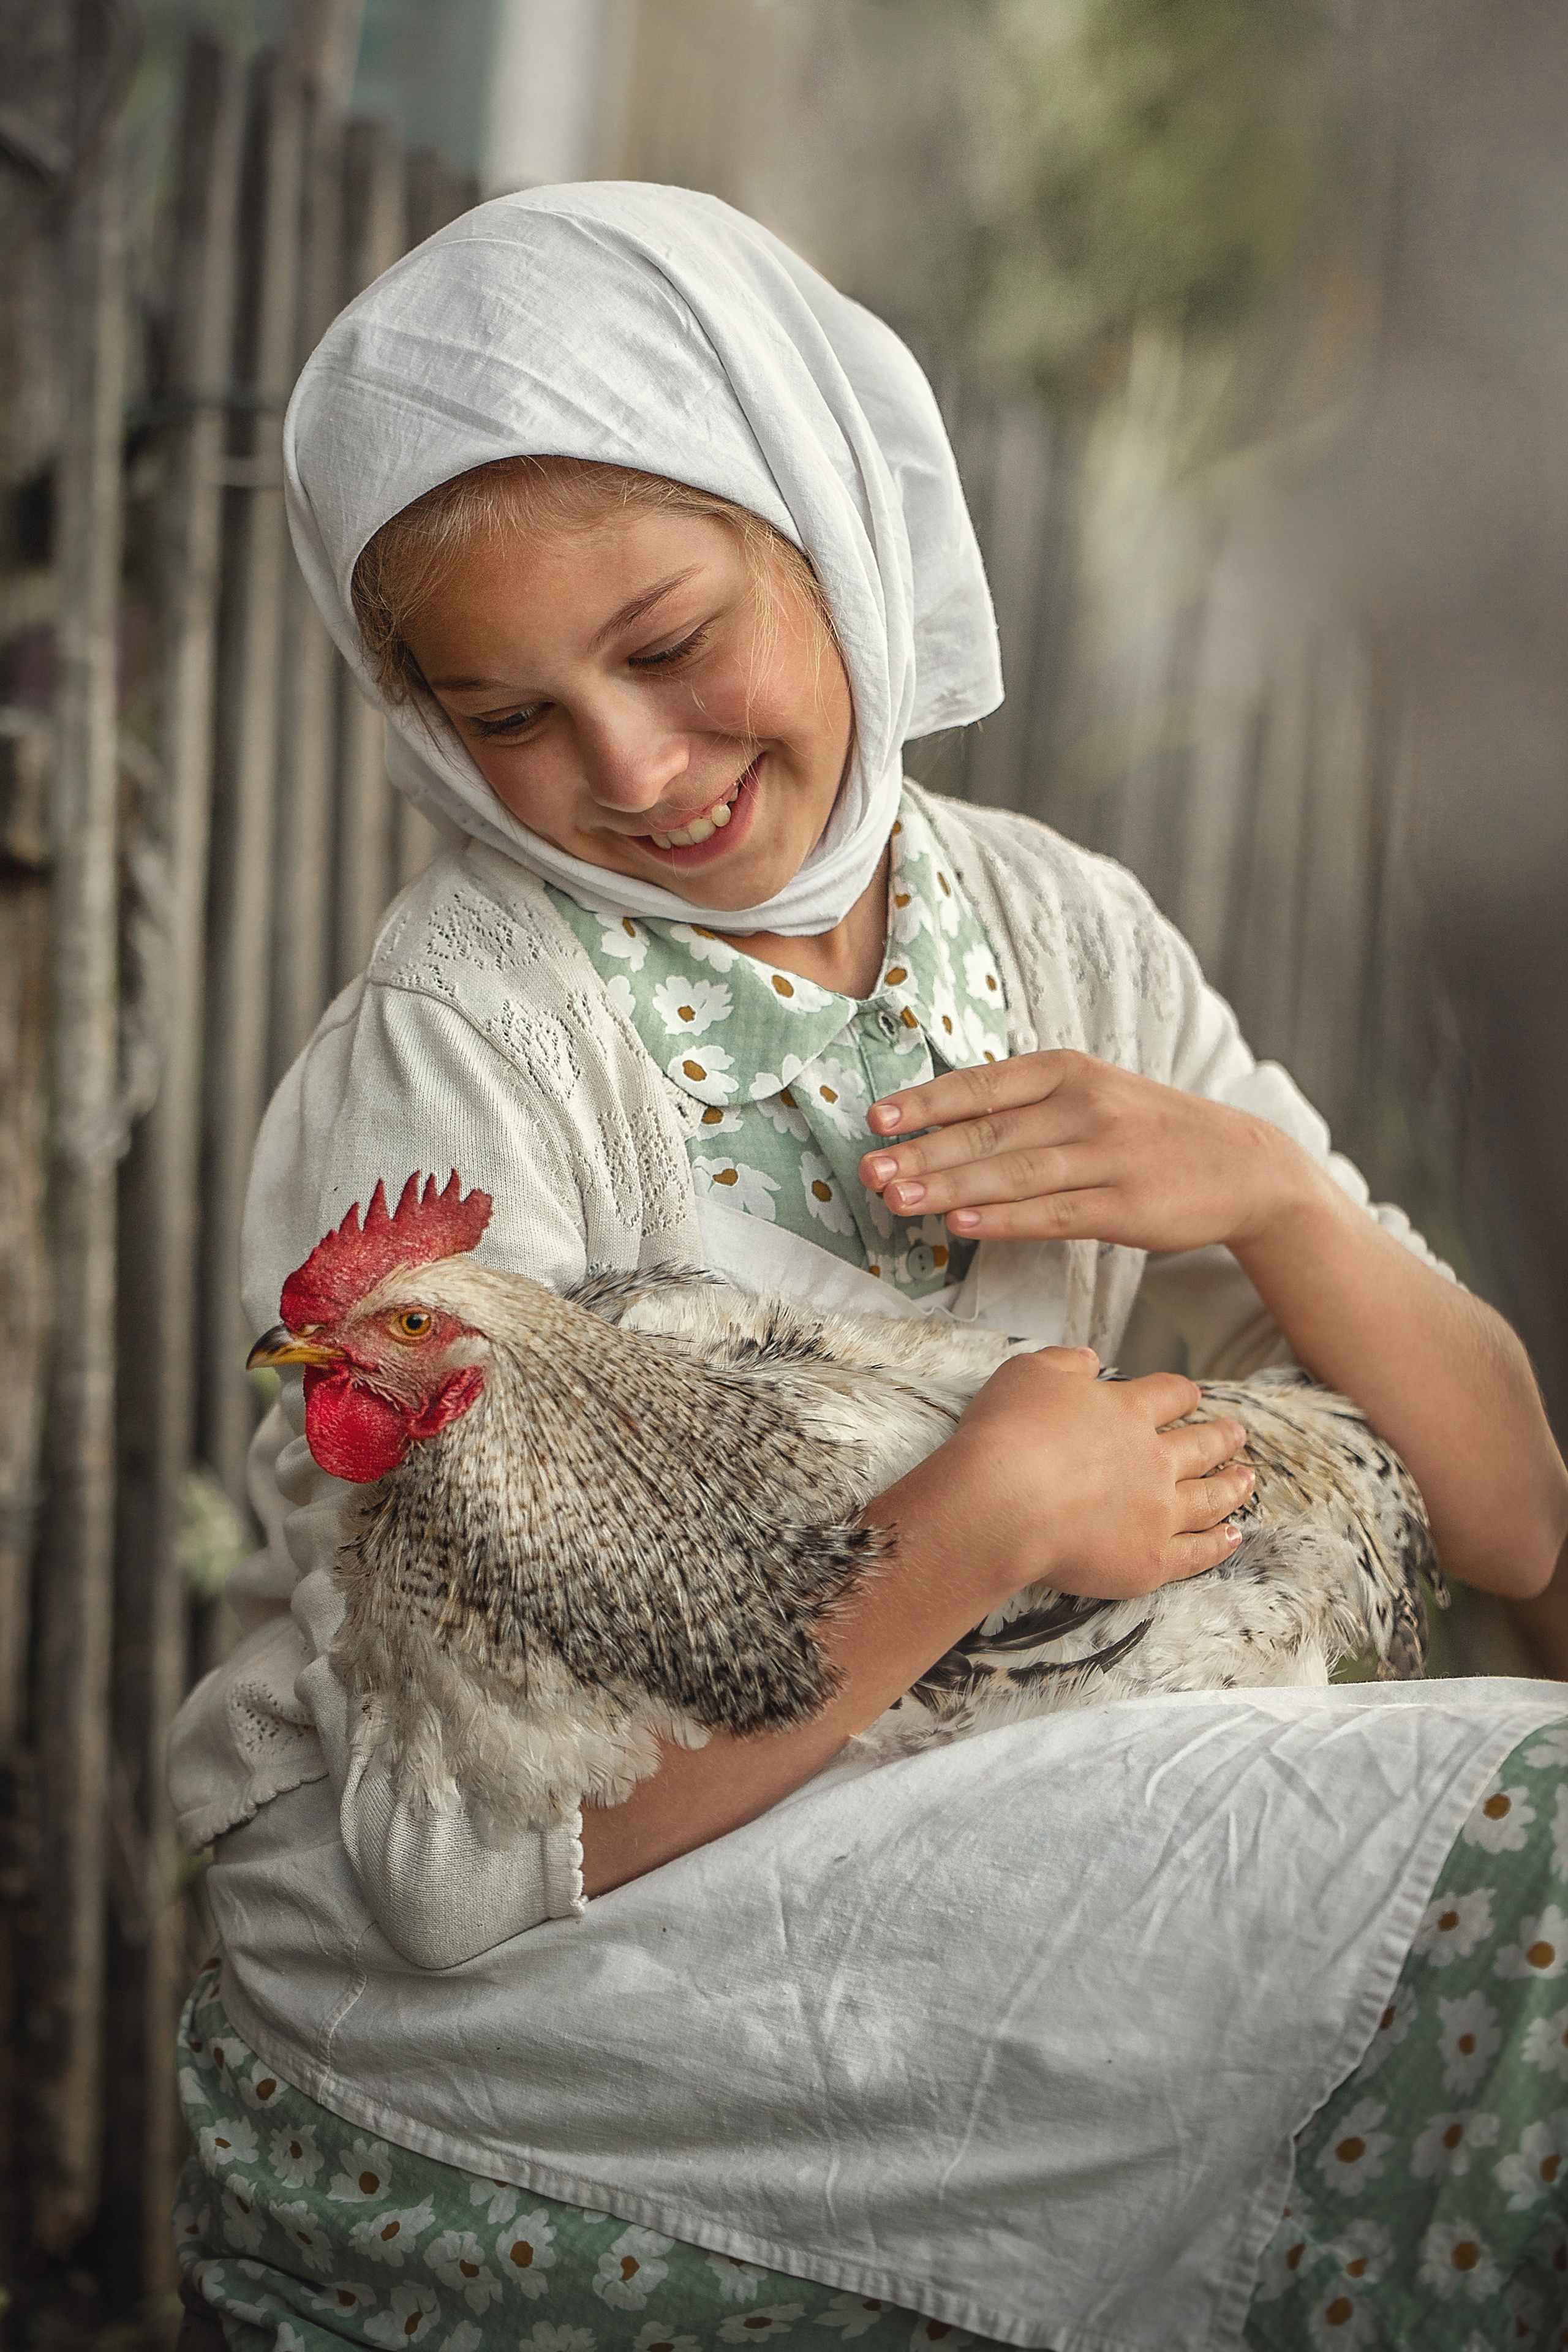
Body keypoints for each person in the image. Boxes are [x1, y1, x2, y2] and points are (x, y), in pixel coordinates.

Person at [167, 184, 1568, 2352]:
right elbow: (473, 1850)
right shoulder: (468, 1044)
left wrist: (1267, 1193)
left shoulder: (1052, 924)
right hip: (589, 1920)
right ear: (426, 726)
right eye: (511, 717)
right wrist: (984, 1517)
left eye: (664, 643)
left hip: (959, 1787)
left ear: (823, 516)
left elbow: (1517, 1524)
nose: (630, 770)